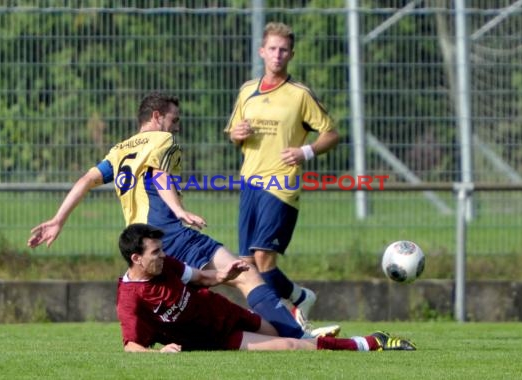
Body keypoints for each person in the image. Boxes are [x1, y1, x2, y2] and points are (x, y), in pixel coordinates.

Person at [27, 91, 338, 339]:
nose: (177, 126)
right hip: (170, 234)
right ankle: (301, 337)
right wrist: (179, 210)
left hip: (143, 243)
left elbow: (86, 180)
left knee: (201, 300)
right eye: (174, 119)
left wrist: (58, 220)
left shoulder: (119, 150)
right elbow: (159, 176)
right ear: (157, 116)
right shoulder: (164, 140)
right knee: (246, 274)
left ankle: (284, 333)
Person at [116, 223, 417, 353]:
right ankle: (372, 342)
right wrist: (163, 353)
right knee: (291, 345)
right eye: (155, 252)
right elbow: (131, 347)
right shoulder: (130, 298)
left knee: (284, 334)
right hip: (218, 336)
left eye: (161, 249)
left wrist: (225, 274)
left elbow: (202, 279)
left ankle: (301, 325)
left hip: (226, 312)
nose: (163, 255)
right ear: (136, 258)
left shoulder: (166, 265)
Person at [225, 22, 341, 327]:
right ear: (262, 51)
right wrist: (237, 134)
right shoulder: (247, 91)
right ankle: (284, 313)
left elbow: (331, 133)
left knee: (264, 259)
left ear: (291, 54)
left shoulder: (299, 94)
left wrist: (306, 152)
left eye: (284, 50)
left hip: (280, 185)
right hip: (250, 183)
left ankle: (298, 302)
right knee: (248, 265)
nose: (277, 55)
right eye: (272, 49)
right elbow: (234, 135)